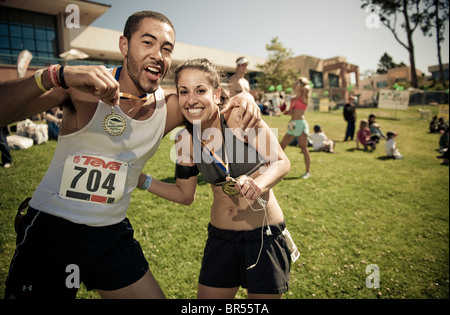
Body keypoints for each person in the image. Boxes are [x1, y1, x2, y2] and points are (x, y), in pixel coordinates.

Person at [0, 11, 260, 299]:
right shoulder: (80, 88)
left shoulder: (171, 107)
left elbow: (211, 103)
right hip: (52, 229)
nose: (158, 55)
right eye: (147, 43)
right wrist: (54, 75)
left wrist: (243, 97)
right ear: (124, 45)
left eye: (166, 48)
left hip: (110, 234)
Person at [138, 58, 294, 299]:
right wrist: (141, 180)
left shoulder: (238, 117)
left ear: (217, 93)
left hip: (264, 236)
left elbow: (281, 161)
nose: (191, 99)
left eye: (201, 90)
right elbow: (184, 195)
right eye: (184, 91)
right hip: (221, 239)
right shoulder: (184, 141)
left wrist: (259, 184)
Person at [280, 77, 311, 179]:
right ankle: (275, 168)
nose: (295, 84)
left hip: (301, 124)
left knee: (303, 148)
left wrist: (302, 83)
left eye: (298, 83)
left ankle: (307, 172)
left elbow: (307, 88)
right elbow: (291, 112)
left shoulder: (304, 97)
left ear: (302, 86)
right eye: (296, 83)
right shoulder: (292, 99)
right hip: (292, 124)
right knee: (281, 146)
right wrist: (283, 111)